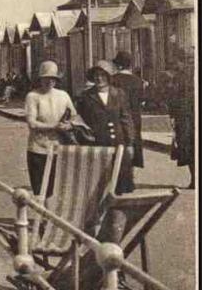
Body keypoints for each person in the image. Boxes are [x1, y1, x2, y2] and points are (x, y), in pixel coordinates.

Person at [76, 60, 135, 195]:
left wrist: (130, 143)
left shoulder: (119, 94)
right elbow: (80, 119)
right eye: (96, 75)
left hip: (118, 143)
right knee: (98, 183)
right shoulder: (86, 96)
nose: (99, 78)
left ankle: (117, 213)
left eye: (103, 75)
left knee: (119, 181)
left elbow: (126, 119)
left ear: (109, 77)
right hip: (96, 144)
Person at [24, 61, 77, 197]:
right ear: (40, 79)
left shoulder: (63, 95)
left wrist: (68, 125)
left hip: (59, 148)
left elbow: (74, 116)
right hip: (38, 148)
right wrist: (53, 126)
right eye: (46, 78)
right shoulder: (33, 96)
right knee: (40, 189)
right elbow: (32, 123)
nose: (49, 82)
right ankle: (42, 216)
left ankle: (51, 216)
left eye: (53, 78)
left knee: (57, 187)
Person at [111, 51, 145, 169]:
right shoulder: (138, 81)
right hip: (135, 117)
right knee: (133, 143)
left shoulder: (113, 79)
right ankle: (131, 173)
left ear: (118, 65)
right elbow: (142, 100)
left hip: (118, 116)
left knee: (118, 143)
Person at [167, 64, 195, 189]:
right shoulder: (181, 84)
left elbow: (173, 103)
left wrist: (173, 117)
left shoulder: (177, 85)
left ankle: (194, 179)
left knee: (188, 150)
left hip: (185, 121)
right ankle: (194, 179)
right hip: (186, 119)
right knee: (190, 150)